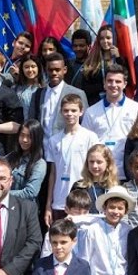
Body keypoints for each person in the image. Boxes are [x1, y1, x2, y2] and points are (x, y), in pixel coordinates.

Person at [43, 94, 100, 225]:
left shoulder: (90, 137)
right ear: (61, 112)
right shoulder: (54, 140)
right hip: (59, 201)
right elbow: (53, 173)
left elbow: (96, 169)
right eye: (66, 110)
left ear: (81, 111)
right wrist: (48, 204)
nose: (70, 114)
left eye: (73, 110)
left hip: (82, 200)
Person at [82, 64, 138, 171]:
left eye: (118, 81)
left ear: (125, 84)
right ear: (104, 84)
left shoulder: (136, 109)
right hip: (100, 171)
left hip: (128, 169)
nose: (113, 85)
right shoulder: (91, 112)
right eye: (110, 81)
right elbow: (85, 142)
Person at [33, 51, 89, 141]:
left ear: (64, 70)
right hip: (43, 145)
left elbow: (86, 122)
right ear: (46, 70)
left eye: (57, 70)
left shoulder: (77, 93)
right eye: (50, 70)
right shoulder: (38, 94)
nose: (54, 73)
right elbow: (33, 121)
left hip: (68, 143)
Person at [78, 25, 131, 103]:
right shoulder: (92, 60)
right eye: (102, 38)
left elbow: (128, 81)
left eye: (108, 38)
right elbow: (85, 87)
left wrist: (118, 58)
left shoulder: (121, 60)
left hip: (117, 102)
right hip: (96, 103)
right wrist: (103, 86)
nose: (105, 41)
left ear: (115, 39)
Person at [8, 119, 47, 214]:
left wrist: (4, 194)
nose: (24, 140)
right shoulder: (12, 156)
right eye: (22, 135)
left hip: (25, 212)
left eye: (29, 137)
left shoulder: (39, 164)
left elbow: (30, 192)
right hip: (8, 208)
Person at [75, 143, 121, 209]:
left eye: (99, 162)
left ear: (108, 163)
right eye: (91, 162)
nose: (94, 166)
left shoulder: (116, 188)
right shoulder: (79, 187)